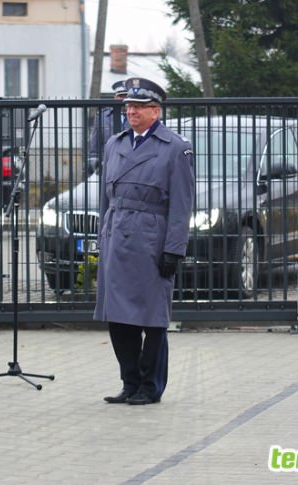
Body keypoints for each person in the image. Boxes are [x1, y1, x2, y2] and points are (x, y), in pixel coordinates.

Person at [94, 77, 195, 405]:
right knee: (118, 316)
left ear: (156, 111)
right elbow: (105, 199)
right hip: (117, 236)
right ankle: (129, 381)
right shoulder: (115, 144)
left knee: (151, 317)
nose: (130, 111)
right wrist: (102, 238)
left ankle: (150, 386)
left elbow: (182, 204)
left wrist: (174, 249)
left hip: (151, 239)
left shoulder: (175, 148)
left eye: (138, 107)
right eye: (127, 106)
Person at [87, 80, 130, 174]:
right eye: (120, 96)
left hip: (130, 163)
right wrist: (94, 157)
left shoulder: (136, 116)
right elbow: (96, 139)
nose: (123, 99)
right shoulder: (102, 116)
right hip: (107, 161)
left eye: (126, 96)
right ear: (115, 97)